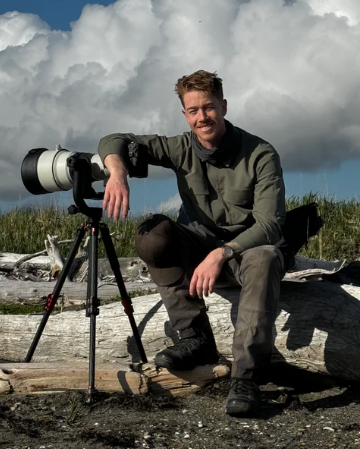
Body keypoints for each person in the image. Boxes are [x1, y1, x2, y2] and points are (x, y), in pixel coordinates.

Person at [98, 70, 286, 417]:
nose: (202, 117)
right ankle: (194, 338)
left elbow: (270, 224)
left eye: (209, 107)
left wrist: (222, 252)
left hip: (245, 255)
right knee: (152, 234)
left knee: (265, 255)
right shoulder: (179, 146)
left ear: (224, 106)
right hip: (199, 248)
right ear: (185, 114)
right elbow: (114, 139)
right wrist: (118, 170)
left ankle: (246, 378)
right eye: (193, 110)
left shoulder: (260, 153)